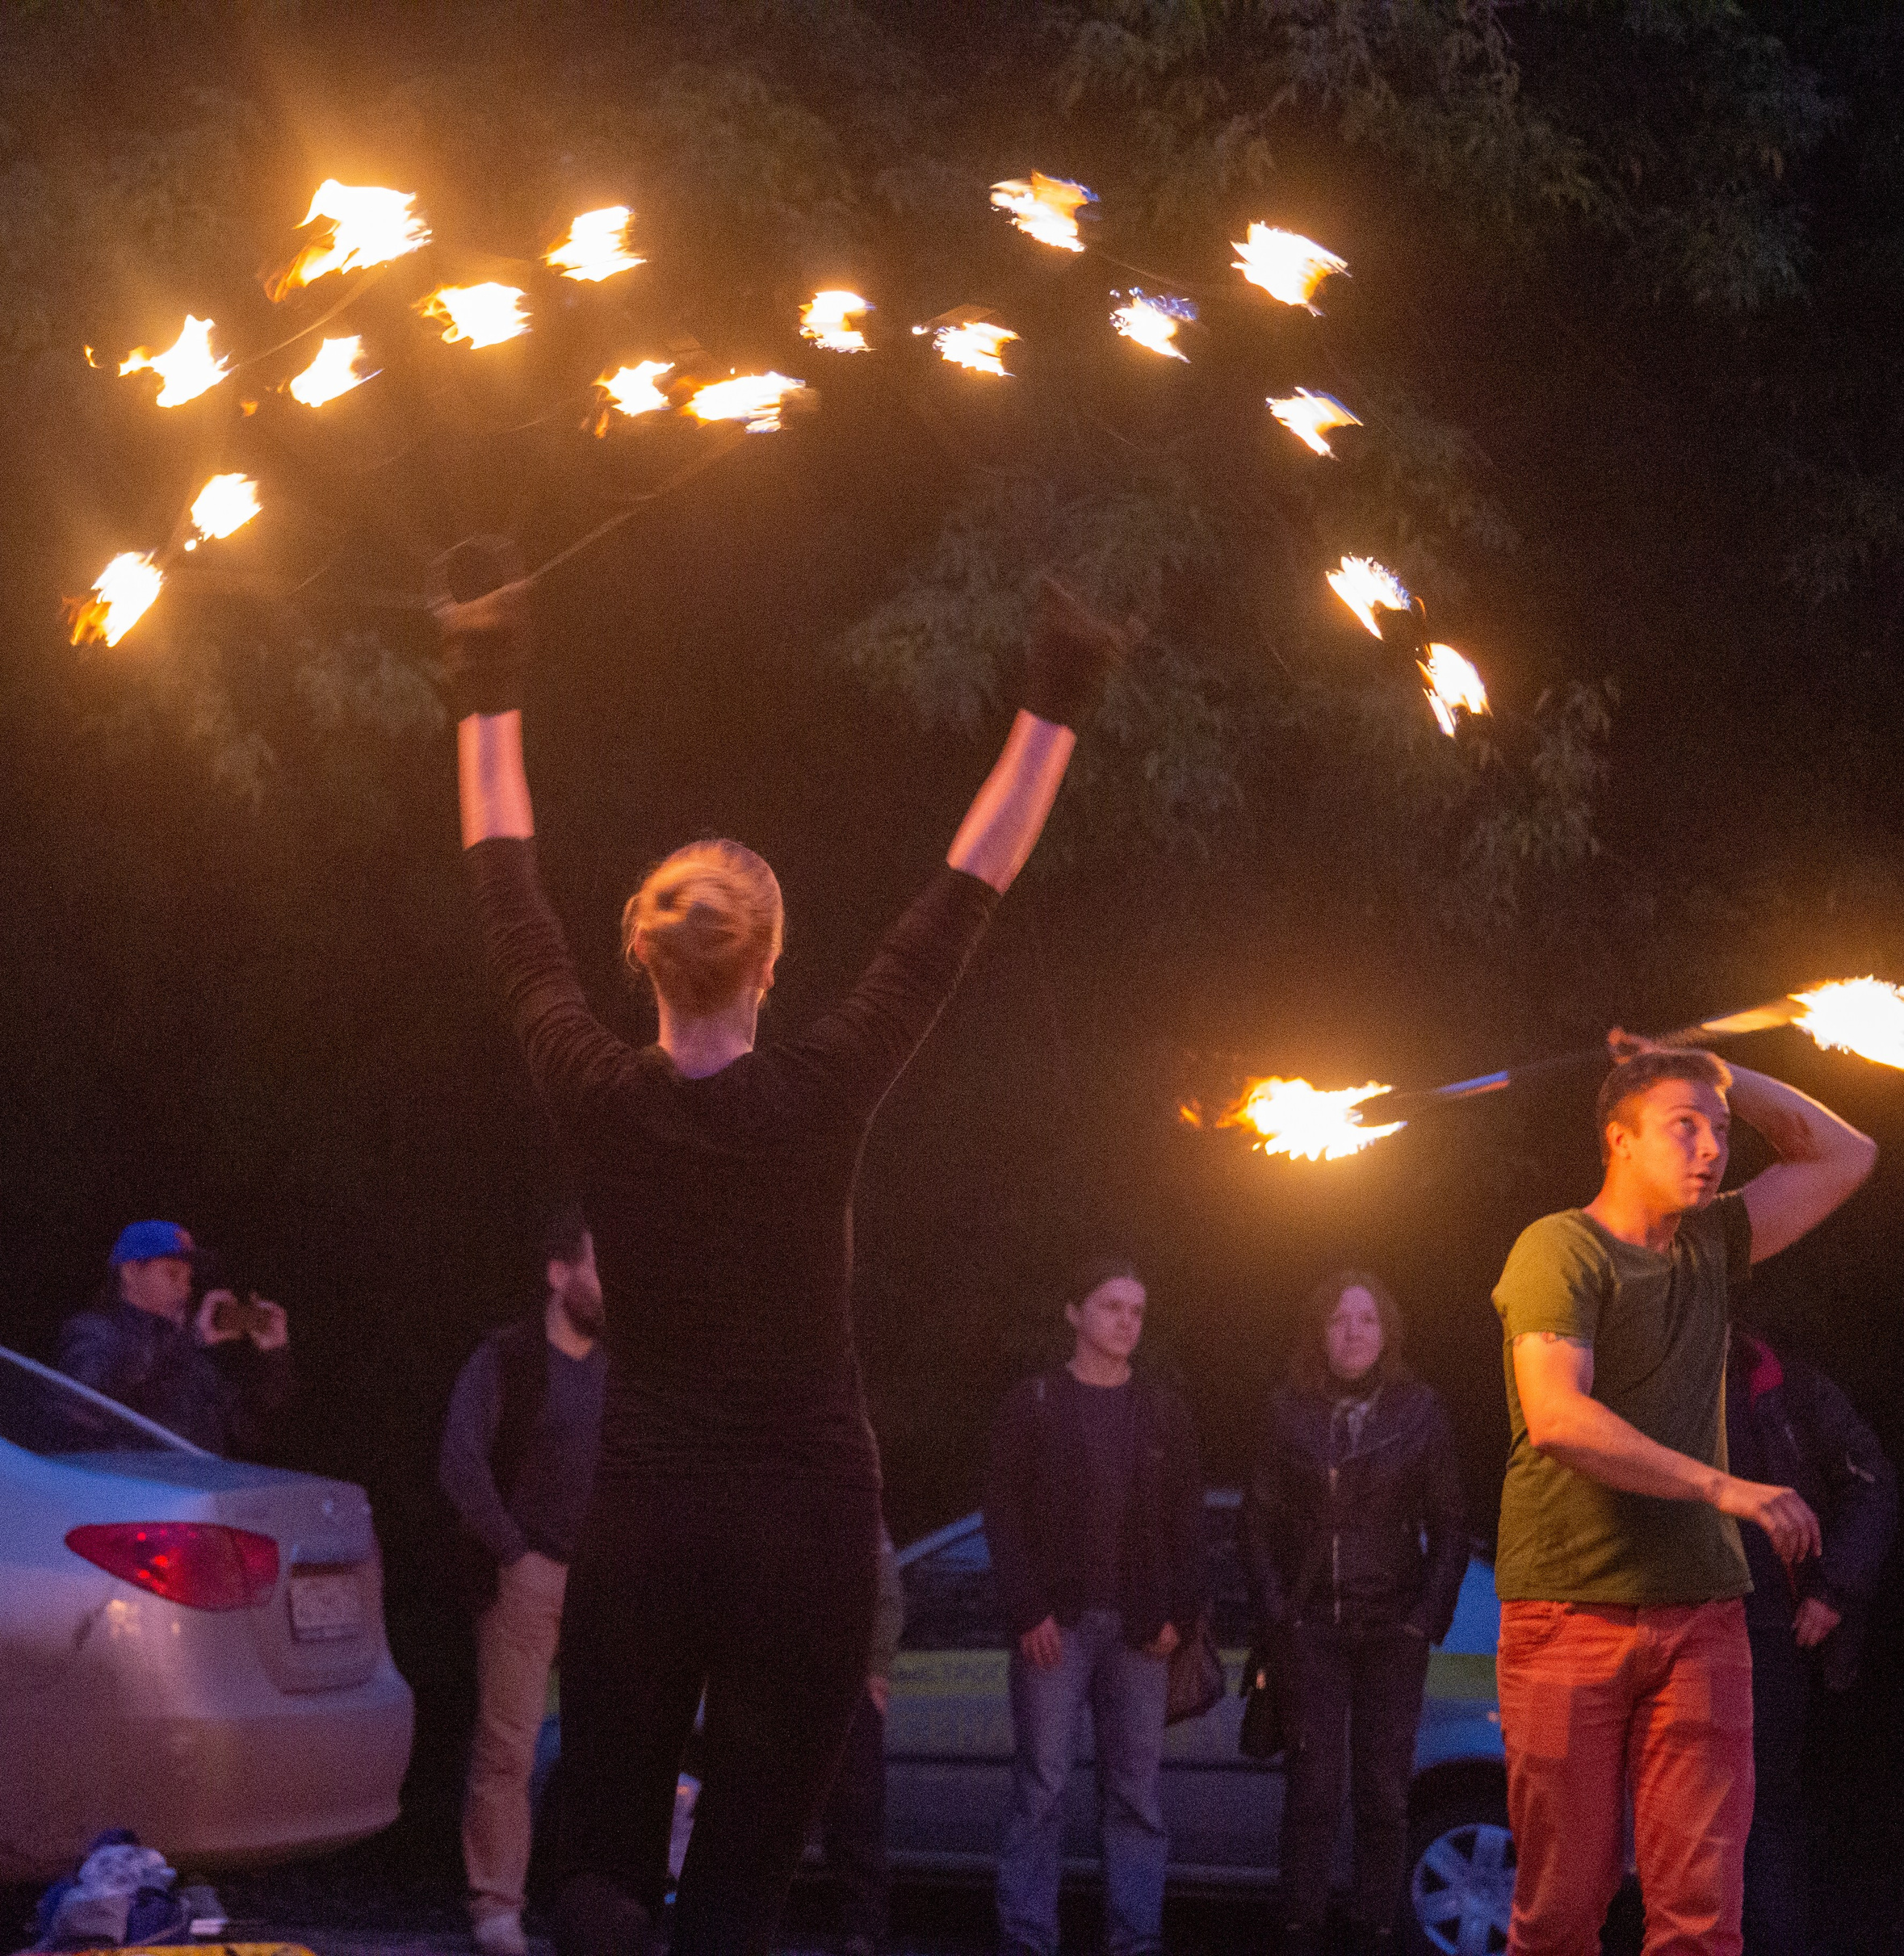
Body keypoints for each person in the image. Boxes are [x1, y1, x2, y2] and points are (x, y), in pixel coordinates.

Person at [436, 559, 1127, 1956]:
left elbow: (504, 884)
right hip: (809, 1530)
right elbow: (969, 882)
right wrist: (1059, 691)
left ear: (641, 953)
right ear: (768, 967)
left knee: (604, 1871)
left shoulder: (592, 1083)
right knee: (741, 1894)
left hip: (645, 1522)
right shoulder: (825, 1087)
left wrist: (489, 679)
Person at [1491, 1039, 1878, 1956]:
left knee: (1702, 1919)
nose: (1711, 1146)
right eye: (1683, 1126)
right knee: (1561, 1913)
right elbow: (1556, 1417)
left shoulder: (1714, 1240)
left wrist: (1726, 1074)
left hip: (1703, 1613)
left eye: (1720, 1130)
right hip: (1567, 1607)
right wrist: (1721, 1484)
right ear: (1618, 1140)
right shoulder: (1559, 1246)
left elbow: (1846, 1153)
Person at [1242, 1271, 1470, 1956]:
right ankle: (1300, 1934)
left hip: (1392, 1632)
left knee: (1384, 1799)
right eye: (1340, 1318)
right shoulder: (1287, 1410)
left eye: (1367, 1319)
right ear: (1320, 1331)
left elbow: (1451, 1524)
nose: (1353, 1331)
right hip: (1313, 1630)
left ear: (1386, 1332)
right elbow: (1256, 1522)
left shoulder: (1420, 1411)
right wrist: (1281, 1613)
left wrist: (1425, 1617)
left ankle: (1375, 1934)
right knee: (1312, 1797)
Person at [983, 1259, 1208, 1956]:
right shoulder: (1037, 1400)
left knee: (1136, 1796)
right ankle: (1027, 1939)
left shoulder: (1162, 1408)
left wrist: (1177, 1611)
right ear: (1074, 1312)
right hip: (1058, 1626)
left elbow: (1187, 1518)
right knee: (1041, 1788)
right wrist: (1027, 1610)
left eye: (1137, 1310)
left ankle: (1135, 1939)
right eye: (1112, 1306)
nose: (1126, 1322)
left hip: (1140, 1631)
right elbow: (1004, 1511)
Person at [439, 1204, 610, 1956]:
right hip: (530, 1573)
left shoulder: (625, 1363)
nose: (613, 1285)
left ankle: (594, 1900)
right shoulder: (507, 1358)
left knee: (608, 1746)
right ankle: (495, 1904)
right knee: (507, 1744)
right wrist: (513, 1550)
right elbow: (461, 1460)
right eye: (600, 1265)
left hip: (606, 1580)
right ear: (559, 1272)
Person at [1725, 1326, 1895, 1956]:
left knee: (1765, 1803)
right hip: (1672, 1625)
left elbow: (1871, 1481)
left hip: (1768, 1623)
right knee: (1684, 1811)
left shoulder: (1781, 1381)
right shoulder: (1640, 1373)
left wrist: (1835, 1589)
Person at [57, 1220, 293, 1457]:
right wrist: (190, 1343)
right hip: (128, 1488)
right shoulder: (93, 1332)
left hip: (192, 1490)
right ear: (131, 1272)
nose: (185, 1288)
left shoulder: (192, 1354)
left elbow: (250, 1433)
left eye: (188, 1278)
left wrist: (274, 1358)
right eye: (173, 1274)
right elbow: (86, 1414)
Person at [816, 1522, 904, 1956]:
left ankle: (863, 1930)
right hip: (787, 1674)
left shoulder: (852, 1493)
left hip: (846, 1679)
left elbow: (885, 1590)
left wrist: (874, 1669)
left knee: (856, 1810)